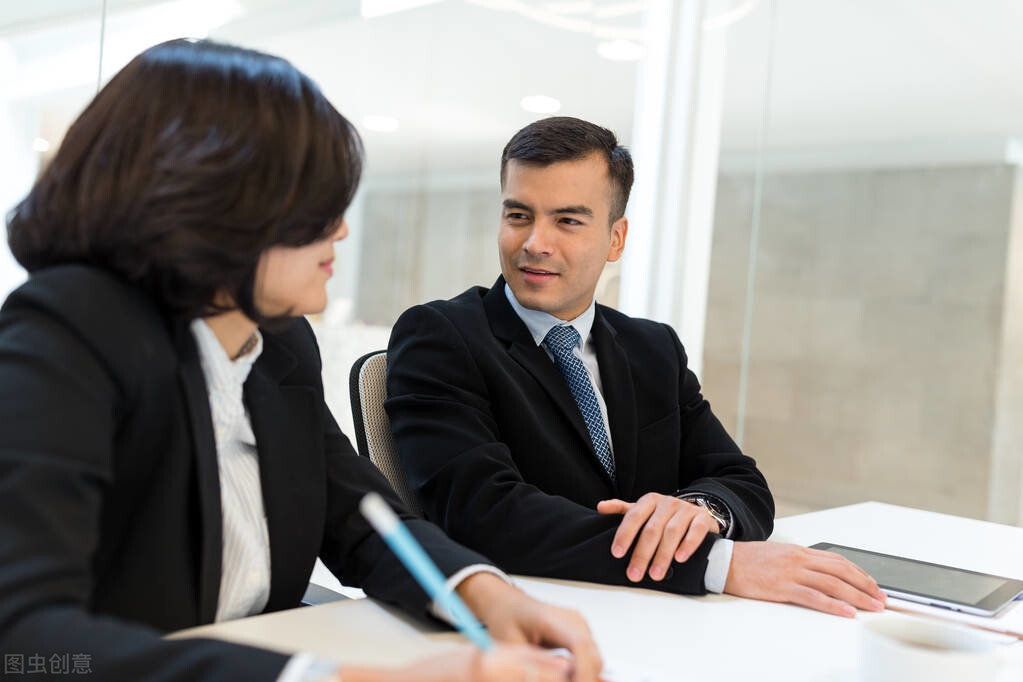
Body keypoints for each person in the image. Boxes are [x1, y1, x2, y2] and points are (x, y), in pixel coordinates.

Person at [0, 41, 602, 682]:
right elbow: (23, 639)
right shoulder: (69, 330)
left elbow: (360, 517)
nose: (340, 230)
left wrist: (486, 593)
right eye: (316, 205)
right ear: (212, 201)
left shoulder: (276, 344)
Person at [385, 116, 887, 618]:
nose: (535, 242)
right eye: (518, 215)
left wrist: (696, 513)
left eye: (568, 221)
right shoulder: (440, 336)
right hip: (532, 622)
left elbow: (740, 481)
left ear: (615, 239)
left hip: (663, 620)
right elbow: (484, 515)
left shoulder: (653, 347)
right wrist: (716, 561)